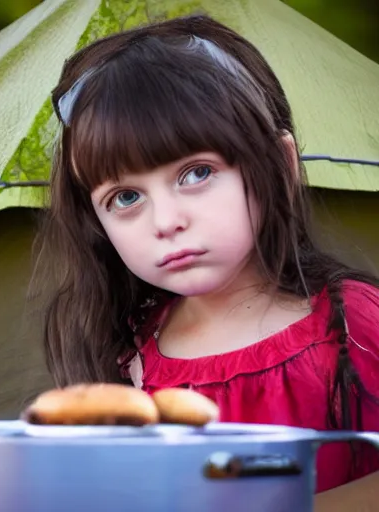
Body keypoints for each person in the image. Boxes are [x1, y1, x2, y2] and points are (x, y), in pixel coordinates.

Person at [31, 14, 379, 511]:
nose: (166, 221)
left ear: (279, 166)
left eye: (196, 173)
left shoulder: (354, 325)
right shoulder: (129, 355)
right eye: (126, 197)